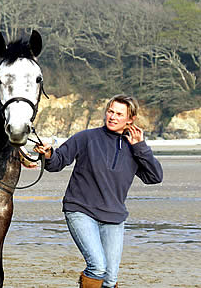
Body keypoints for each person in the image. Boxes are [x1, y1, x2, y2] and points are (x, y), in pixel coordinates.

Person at [33, 94, 163, 288]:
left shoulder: (135, 148)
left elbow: (154, 177)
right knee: (97, 267)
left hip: (114, 217)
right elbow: (57, 162)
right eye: (110, 111)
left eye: (119, 114)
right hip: (80, 210)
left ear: (130, 119)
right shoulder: (86, 137)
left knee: (110, 279)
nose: (113, 116)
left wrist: (140, 147)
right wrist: (49, 154)